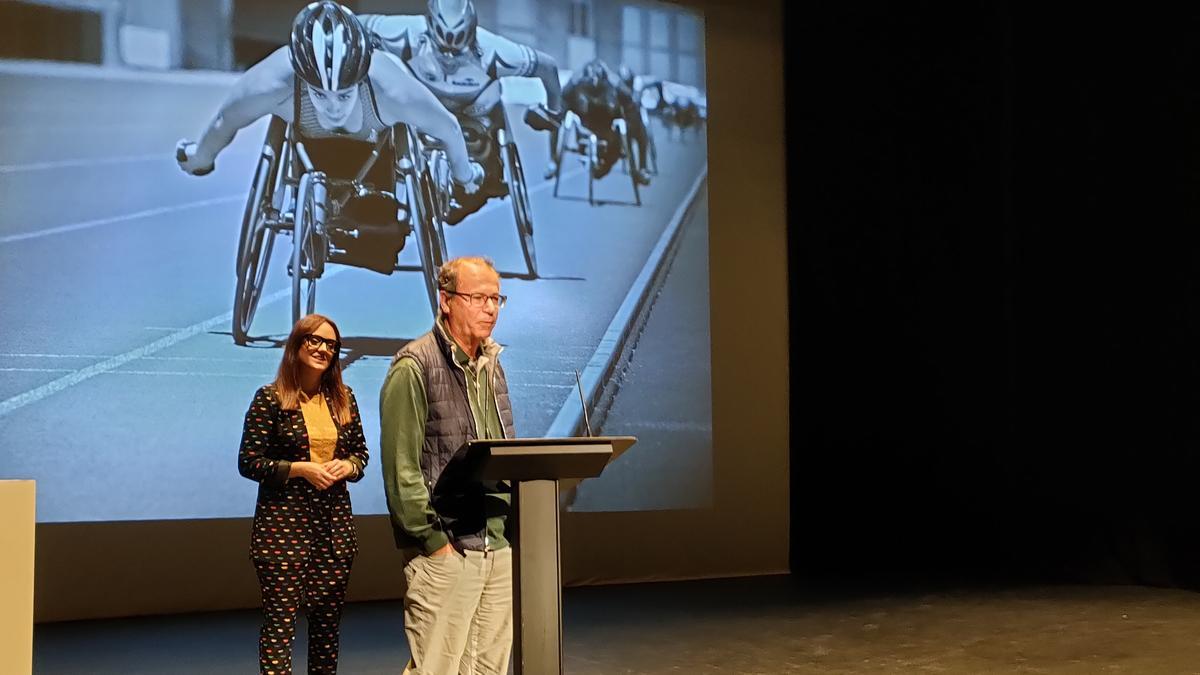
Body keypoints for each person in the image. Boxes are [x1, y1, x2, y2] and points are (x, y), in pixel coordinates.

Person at [176, 1, 484, 269]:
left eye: (344, 94)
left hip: (375, 158)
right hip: (308, 152)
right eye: (320, 95)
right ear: (301, 78)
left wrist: (465, 175)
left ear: (361, 79)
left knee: (380, 238)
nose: (334, 107)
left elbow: (448, 128)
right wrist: (201, 157)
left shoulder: (391, 89)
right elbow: (225, 120)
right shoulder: (272, 83)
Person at [379, 256, 516, 674]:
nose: (490, 308)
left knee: (488, 669)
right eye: (478, 298)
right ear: (446, 301)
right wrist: (434, 543)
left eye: (496, 299)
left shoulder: (491, 366)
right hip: (448, 547)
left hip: (496, 545)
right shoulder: (414, 366)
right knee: (436, 669)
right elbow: (401, 471)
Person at [237, 313, 369, 674]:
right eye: (315, 340)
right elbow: (249, 462)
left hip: (333, 533)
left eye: (331, 344)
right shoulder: (270, 399)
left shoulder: (344, 399)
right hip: (282, 532)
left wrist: (349, 467)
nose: (323, 349)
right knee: (279, 630)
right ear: (296, 344)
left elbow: (361, 453)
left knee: (327, 633)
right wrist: (300, 469)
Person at [361, 0, 564, 222]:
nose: (449, 58)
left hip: (474, 111)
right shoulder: (406, 33)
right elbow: (353, 24)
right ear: (428, 30)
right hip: (426, 104)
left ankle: (489, 177)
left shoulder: (495, 51)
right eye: (442, 49)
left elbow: (548, 67)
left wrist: (553, 113)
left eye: (458, 50)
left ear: (473, 35)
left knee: (477, 185)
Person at [552, 58, 652, 184]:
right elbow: (557, 110)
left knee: (638, 122)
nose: (595, 96)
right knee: (553, 119)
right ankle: (553, 162)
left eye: (598, 89)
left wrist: (629, 126)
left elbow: (632, 107)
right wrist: (554, 159)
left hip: (609, 130)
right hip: (585, 129)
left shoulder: (615, 85)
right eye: (590, 88)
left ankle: (642, 167)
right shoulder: (575, 83)